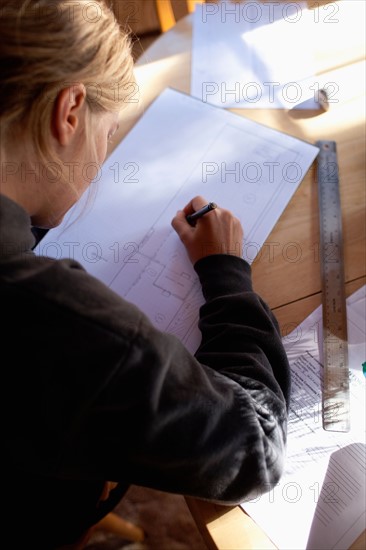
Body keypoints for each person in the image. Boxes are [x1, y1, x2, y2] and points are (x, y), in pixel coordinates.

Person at [0, 0, 291, 548]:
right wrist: (227, 278)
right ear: (69, 110)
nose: (104, 154)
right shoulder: (71, 327)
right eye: (108, 134)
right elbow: (256, 449)